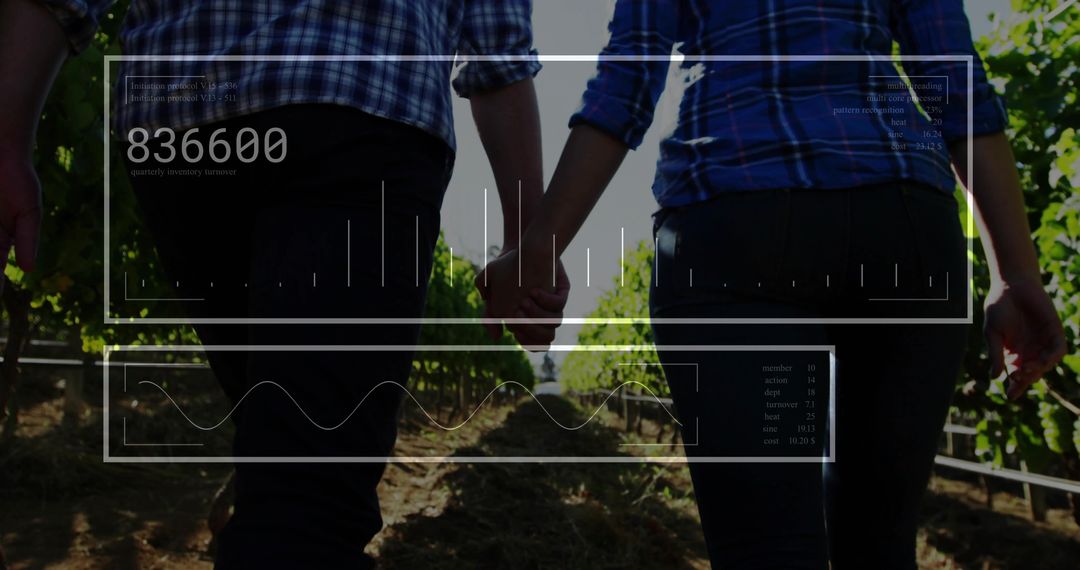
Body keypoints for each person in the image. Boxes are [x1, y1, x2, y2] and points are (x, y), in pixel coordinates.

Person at [480, 0, 1067, 568]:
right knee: (880, 544)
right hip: (905, 228)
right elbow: (956, 84)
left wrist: (535, 252)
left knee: (767, 550)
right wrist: (1015, 272)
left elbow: (627, 81)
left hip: (736, 220)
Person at [0, 0, 567, 567]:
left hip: (179, 124)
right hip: (359, 96)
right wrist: (525, 242)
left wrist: (8, 137)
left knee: (277, 440)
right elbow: (497, 50)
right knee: (307, 500)